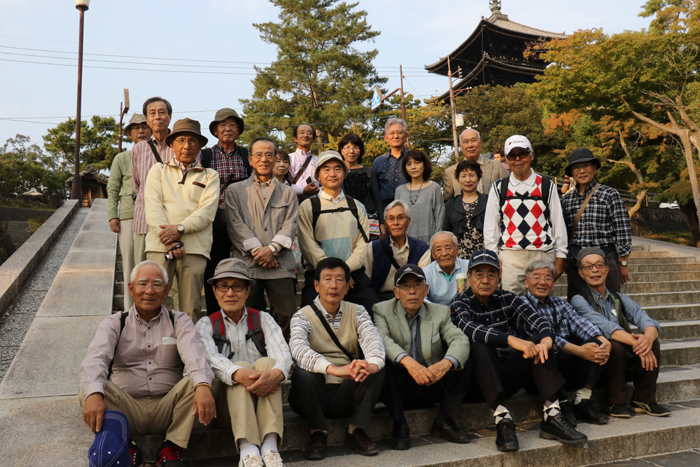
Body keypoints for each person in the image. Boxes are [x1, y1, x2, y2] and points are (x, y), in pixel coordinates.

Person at [79, 260, 216, 467]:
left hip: (169, 409)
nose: (149, 291)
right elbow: (95, 358)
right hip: (126, 409)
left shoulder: (179, 320)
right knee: (90, 389)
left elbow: (194, 354)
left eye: (157, 284)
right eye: (142, 284)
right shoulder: (115, 323)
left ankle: (171, 447)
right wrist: (94, 395)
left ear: (166, 290)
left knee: (200, 381)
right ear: (131, 288)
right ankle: (127, 444)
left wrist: (203, 385)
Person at [450, 249, 587, 452]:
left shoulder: (508, 298)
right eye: (479, 274)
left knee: (537, 340)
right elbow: (472, 329)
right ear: (469, 277)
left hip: (505, 377)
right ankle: (503, 420)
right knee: (480, 344)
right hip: (475, 384)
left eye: (491, 274)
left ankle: (552, 414)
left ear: (499, 277)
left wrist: (546, 340)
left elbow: (539, 321)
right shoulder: (460, 303)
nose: (485, 280)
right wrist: (511, 339)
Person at [196, 258, 292, 467]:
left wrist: (275, 374)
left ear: (248, 291)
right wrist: (238, 374)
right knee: (239, 369)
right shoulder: (205, 325)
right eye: (223, 286)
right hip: (226, 410)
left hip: (262, 405)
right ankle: (248, 450)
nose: (230, 293)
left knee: (268, 363)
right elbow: (209, 359)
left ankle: (270, 447)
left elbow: (283, 354)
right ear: (214, 292)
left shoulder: (264, 319)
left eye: (237, 286)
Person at [288, 258, 386, 460]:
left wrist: (370, 365)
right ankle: (318, 432)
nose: (333, 285)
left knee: (375, 366)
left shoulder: (358, 311)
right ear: (316, 285)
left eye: (339, 279)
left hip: (346, 392)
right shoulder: (301, 316)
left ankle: (356, 429)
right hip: (313, 393)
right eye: (327, 279)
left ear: (348, 285)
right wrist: (335, 370)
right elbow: (298, 349)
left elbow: (373, 340)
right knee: (304, 374)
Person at [373, 264, 472, 450]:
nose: (412, 291)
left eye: (417, 285)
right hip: (400, 386)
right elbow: (381, 338)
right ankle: (400, 425)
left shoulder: (439, 312)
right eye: (405, 286)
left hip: (431, 380)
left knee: (461, 358)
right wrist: (408, 362)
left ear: (426, 290)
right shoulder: (382, 310)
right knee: (381, 362)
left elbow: (460, 339)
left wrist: (444, 364)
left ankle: (445, 420)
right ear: (396, 292)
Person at [571, 248, 670, 418]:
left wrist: (647, 339)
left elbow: (645, 319)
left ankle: (643, 399)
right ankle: (615, 402)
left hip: (624, 362)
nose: (595, 270)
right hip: (597, 365)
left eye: (599, 265)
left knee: (652, 341)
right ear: (581, 273)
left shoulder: (619, 298)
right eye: (588, 266)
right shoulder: (578, 300)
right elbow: (606, 327)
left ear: (607, 269)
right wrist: (639, 343)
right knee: (615, 344)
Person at [144, 118, 220, 322]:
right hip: (160, 245)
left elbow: (207, 212)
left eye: (193, 141)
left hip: (194, 248)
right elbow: (152, 207)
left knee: (190, 307)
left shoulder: (210, 175)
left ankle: (188, 343)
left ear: (201, 145)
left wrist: (179, 229)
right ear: (172, 144)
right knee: (150, 301)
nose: (187, 146)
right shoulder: (158, 170)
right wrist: (170, 240)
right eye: (181, 140)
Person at [225, 137, 299, 340]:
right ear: (250, 159)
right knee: (241, 313)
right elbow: (235, 224)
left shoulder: (288, 193)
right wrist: (260, 252)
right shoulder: (235, 190)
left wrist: (272, 250)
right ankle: (244, 352)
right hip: (246, 262)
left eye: (269, 155)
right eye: (258, 155)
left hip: (280, 263)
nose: (264, 159)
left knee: (287, 314)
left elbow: (290, 224)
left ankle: (283, 353)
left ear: (275, 159)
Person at [523, 260, 611, 425]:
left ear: (553, 283)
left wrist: (603, 340)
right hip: (539, 371)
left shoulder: (561, 304)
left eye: (547, 278)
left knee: (596, 344)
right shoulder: (520, 305)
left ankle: (582, 400)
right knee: (545, 348)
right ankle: (562, 404)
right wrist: (580, 351)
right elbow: (542, 337)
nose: (542, 282)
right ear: (526, 282)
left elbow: (580, 323)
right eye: (537, 277)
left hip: (566, 366)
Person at [483, 135, 568, 295]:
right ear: (506, 159)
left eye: (522, 154)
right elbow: (490, 227)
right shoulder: (499, 187)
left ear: (531, 155)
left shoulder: (546, 185)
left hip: (542, 254)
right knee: (510, 304)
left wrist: (561, 257)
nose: (518, 159)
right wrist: (494, 258)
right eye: (512, 155)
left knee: (542, 303)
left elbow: (558, 223)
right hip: (510, 257)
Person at [298, 150, 380, 312]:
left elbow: (362, 244)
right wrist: (334, 274)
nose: (332, 174)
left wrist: (345, 271)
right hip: (318, 274)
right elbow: (308, 245)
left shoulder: (357, 206)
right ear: (318, 175)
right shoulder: (308, 207)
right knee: (308, 317)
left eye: (337, 169)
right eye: (326, 169)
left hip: (352, 274)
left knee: (374, 311)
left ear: (344, 173)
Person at [561, 148, 633, 300]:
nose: (582, 171)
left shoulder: (609, 194)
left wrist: (623, 263)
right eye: (576, 168)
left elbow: (623, 229)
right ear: (571, 173)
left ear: (594, 168)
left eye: (586, 166)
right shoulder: (567, 200)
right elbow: (563, 233)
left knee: (610, 304)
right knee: (577, 306)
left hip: (605, 260)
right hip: (577, 263)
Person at [201, 108, 251, 315]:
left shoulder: (246, 155)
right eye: (223, 125)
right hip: (215, 216)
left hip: (243, 215)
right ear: (215, 130)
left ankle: (244, 312)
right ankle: (214, 315)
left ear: (238, 130)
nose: (228, 129)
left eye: (232, 125)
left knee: (244, 262)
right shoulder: (206, 155)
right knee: (214, 265)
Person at [107, 113, 152, 310]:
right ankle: (129, 311)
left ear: (151, 130)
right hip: (129, 215)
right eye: (136, 128)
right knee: (130, 266)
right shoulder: (122, 158)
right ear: (129, 134)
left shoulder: (158, 155)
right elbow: (112, 188)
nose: (141, 131)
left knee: (153, 266)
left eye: (144, 127)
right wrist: (113, 215)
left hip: (156, 217)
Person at [131, 97, 176, 265]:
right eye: (152, 113)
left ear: (170, 116)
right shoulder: (139, 149)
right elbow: (138, 185)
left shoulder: (181, 146)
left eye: (162, 112)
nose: (157, 117)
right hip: (144, 221)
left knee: (171, 275)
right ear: (147, 118)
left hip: (172, 223)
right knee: (143, 272)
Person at [364, 200, 431, 300]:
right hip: (381, 300)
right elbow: (366, 282)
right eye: (391, 219)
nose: (396, 223)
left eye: (400, 218)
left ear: (408, 221)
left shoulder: (422, 248)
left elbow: (423, 283)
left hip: (411, 298)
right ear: (385, 223)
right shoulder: (373, 247)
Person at [443, 128, 509, 200]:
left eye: (473, 140)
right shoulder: (450, 172)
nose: (470, 145)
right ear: (460, 146)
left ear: (481, 142)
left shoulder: (496, 166)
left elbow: (506, 193)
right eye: (466, 142)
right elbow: (447, 201)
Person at [339, 133, 385, 235]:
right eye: (347, 147)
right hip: (344, 221)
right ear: (341, 150)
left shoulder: (369, 172)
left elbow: (377, 199)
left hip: (368, 220)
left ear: (360, 151)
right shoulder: (337, 173)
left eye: (356, 147)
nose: (351, 151)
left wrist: (381, 222)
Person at [394, 149, 444, 243]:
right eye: (409, 164)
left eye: (417, 162)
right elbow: (396, 219)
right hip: (405, 242)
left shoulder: (434, 188)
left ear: (424, 165)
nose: (413, 167)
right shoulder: (400, 190)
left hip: (429, 242)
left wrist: (437, 241)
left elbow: (439, 216)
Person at [443, 159, 488, 260]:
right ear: (458, 179)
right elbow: (446, 233)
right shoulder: (450, 204)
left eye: (472, 175)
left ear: (478, 178)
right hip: (459, 259)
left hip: (485, 257)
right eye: (463, 176)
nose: (467, 180)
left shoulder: (488, 201)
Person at [423, 231, 469, 306]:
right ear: (433, 254)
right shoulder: (427, 272)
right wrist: (442, 310)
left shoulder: (469, 267)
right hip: (437, 312)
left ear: (457, 249)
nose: (444, 253)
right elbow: (421, 298)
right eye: (438, 250)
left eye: (448, 248)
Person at [372, 118, 408, 207]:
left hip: (410, 207)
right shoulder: (379, 162)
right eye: (392, 133)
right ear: (386, 138)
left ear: (406, 136)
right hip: (385, 209)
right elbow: (374, 191)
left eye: (399, 132)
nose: (395, 136)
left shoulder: (413, 160)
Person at [289, 124, 319, 201]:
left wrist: (318, 189)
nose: (305, 135)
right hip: (294, 201)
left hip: (316, 201)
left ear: (313, 139)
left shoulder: (318, 160)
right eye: (302, 133)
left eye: (309, 133)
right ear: (295, 139)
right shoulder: (288, 158)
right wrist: (303, 190)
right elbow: (283, 184)